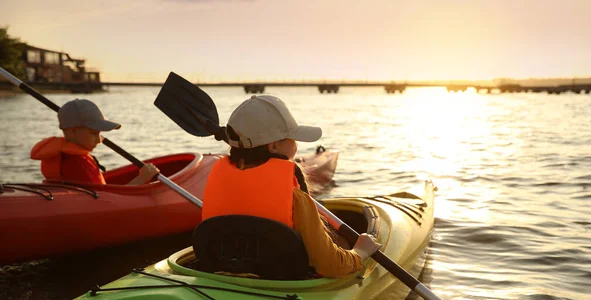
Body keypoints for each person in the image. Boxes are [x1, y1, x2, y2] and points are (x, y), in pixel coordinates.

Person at [202, 95, 381, 278]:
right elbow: (332, 266)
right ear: (273, 146)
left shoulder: (219, 176)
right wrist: (361, 252)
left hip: (220, 274)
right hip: (279, 283)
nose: (296, 145)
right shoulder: (293, 194)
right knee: (343, 243)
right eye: (292, 138)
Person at [30, 99, 158, 185]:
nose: (99, 140)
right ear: (72, 131)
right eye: (93, 133)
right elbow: (107, 202)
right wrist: (142, 179)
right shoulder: (77, 164)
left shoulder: (68, 157)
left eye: (99, 133)